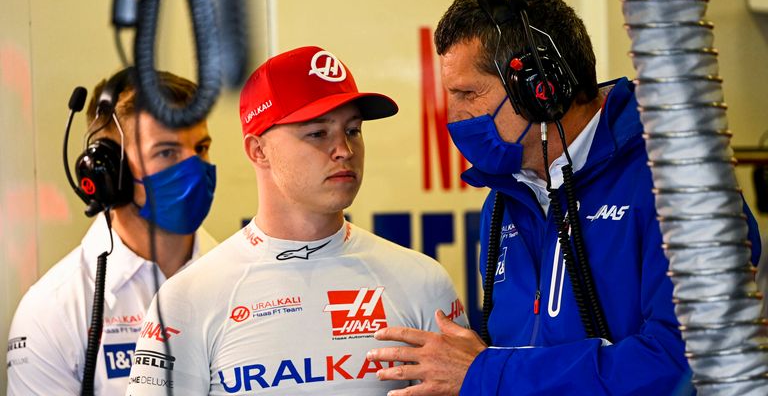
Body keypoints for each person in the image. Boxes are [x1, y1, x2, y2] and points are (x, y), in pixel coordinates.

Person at [367, 0, 763, 395]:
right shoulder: (505, 199)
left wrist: (487, 374)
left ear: (541, 88)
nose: (454, 115)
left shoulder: (678, 182)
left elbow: (688, 362)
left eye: (467, 93)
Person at [125, 45, 468, 395]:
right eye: (318, 133)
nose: (344, 151)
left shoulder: (422, 282)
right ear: (258, 150)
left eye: (353, 130)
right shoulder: (185, 301)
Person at [6, 69, 218, 395]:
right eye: (167, 152)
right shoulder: (53, 312)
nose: (193, 168)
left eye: (201, 147)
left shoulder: (241, 275)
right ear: (109, 172)